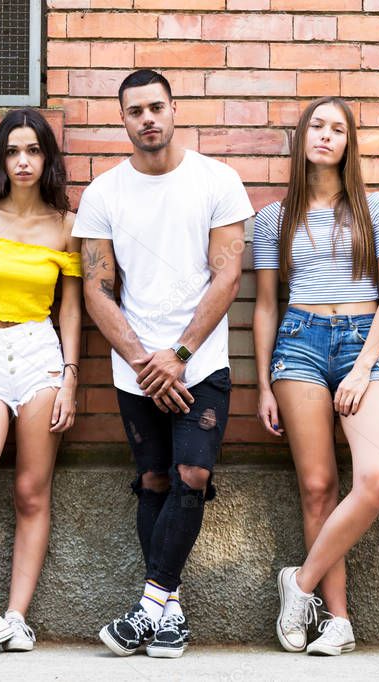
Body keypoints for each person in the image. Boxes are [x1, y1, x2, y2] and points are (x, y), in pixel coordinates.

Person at [73, 69, 254, 659]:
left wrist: (176, 356)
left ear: (174, 109)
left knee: (192, 477)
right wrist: (141, 360)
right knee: (153, 480)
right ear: (122, 119)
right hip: (134, 368)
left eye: (156, 107)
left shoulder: (216, 180)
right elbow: (97, 288)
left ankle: (145, 607)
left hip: (199, 364)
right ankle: (170, 615)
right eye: (135, 111)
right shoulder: (104, 193)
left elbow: (227, 274)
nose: (147, 119)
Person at [257, 97, 379, 656]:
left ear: (348, 144)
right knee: (317, 485)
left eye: (337, 128)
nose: (325, 135)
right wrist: (263, 383)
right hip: (299, 345)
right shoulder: (274, 218)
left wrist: (364, 366)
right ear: (301, 137)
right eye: (316, 125)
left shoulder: (377, 209)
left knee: (377, 478)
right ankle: (336, 621)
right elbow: (267, 305)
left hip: (361, 345)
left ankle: (300, 584)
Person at [0, 109, 81, 656]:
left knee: (31, 490)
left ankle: (16, 618)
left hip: (39, 354)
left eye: (32, 150)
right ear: (0, 158)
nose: (23, 161)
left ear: (47, 157)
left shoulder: (65, 225)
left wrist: (70, 377)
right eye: (12, 151)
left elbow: (71, 310)